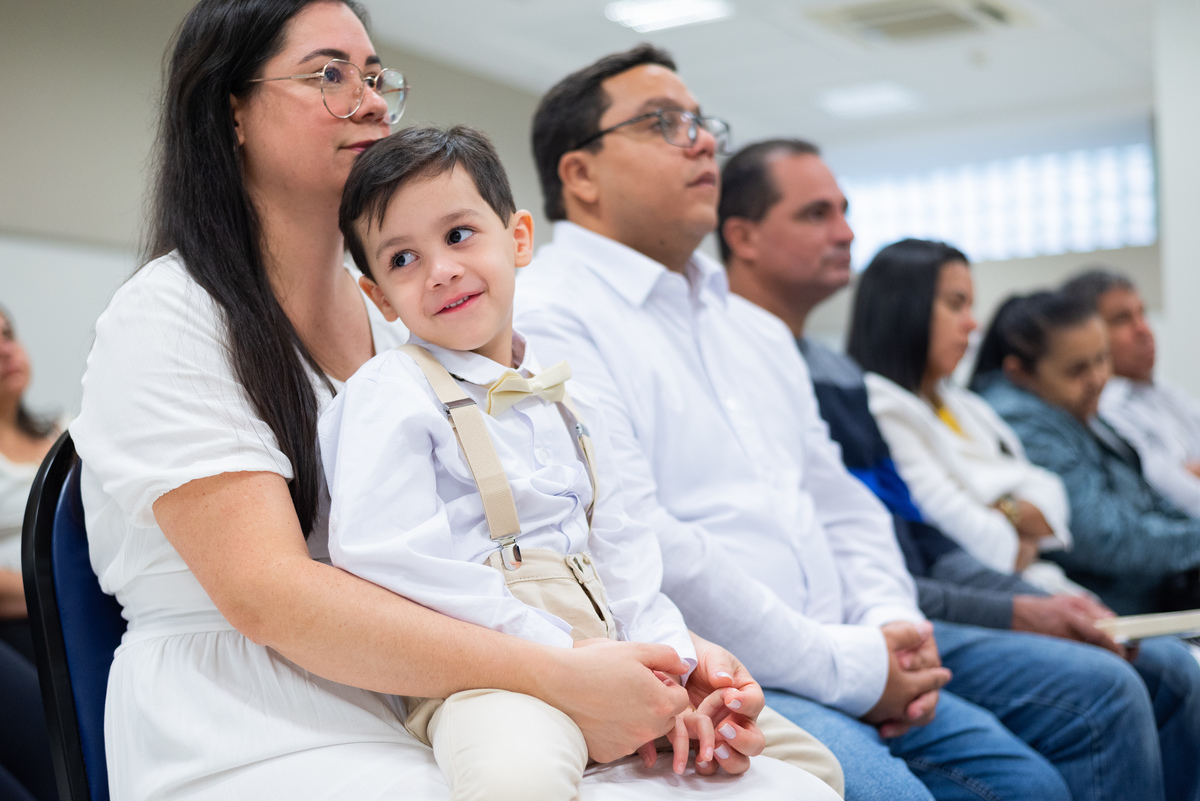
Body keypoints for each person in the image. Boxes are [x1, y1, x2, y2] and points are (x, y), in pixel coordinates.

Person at [69, 4, 815, 799]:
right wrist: (566, 674)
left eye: (373, 75)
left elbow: (521, 547)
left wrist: (670, 657)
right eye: (329, 74)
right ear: (233, 112)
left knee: (782, 779)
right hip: (250, 717)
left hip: (427, 682)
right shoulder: (173, 314)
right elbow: (268, 595)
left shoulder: (404, 328)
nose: (369, 102)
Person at [515, 43, 1089, 801]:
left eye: (700, 121)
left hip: (855, 640)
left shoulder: (746, 323)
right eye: (663, 123)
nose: (702, 141)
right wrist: (854, 665)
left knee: (1051, 757)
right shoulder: (549, 315)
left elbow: (840, 493)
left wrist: (890, 622)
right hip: (729, 670)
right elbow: (643, 537)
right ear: (579, 174)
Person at [324, 123, 841, 800]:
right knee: (520, 777)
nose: (440, 269)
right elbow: (394, 567)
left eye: (457, 235)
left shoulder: (576, 396)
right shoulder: (386, 395)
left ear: (518, 239)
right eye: (402, 260)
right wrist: (565, 658)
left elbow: (623, 553)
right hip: (484, 669)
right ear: (378, 297)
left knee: (810, 763)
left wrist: (672, 661)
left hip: (612, 642)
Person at [716, 137, 1200, 801]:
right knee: (1103, 698)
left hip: (893, 610)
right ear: (740, 236)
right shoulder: (765, 370)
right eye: (816, 214)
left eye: (846, 210)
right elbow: (976, 530)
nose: (846, 232)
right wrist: (1009, 590)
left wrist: (990, 593)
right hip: (837, 629)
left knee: (1141, 676)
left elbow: (922, 529)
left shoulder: (839, 375)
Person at [845, 239, 1079, 593]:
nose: (973, 324)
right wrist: (1018, 530)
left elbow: (1053, 493)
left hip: (1035, 582)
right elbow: (974, 541)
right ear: (905, 309)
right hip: (981, 594)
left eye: (971, 306)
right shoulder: (880, 406)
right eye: (956, 305)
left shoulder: (963, 404)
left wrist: (1002, 511)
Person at [973, 291, 1200, 616]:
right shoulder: (1021, 422)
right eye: (1077, 370)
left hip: (1156, 592)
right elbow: (1104, 539)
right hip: (1114, 608)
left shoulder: (1072, 406)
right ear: (1020, 372)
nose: (1097, 379)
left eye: (1101, 358)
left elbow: (1149, 495)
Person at [1062, 269, 1200, 518]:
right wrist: (1183, 473)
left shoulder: (1165, 392)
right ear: (1086, 335)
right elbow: (1173, 494)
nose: (1144, 330)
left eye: (1142, 314)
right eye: (1122, 320)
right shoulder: (1101, 408)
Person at [0, 308, 57, 801]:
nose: (5, 351)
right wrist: (63, 586)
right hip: (19, 623)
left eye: (8, 335)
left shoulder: (66, 433)